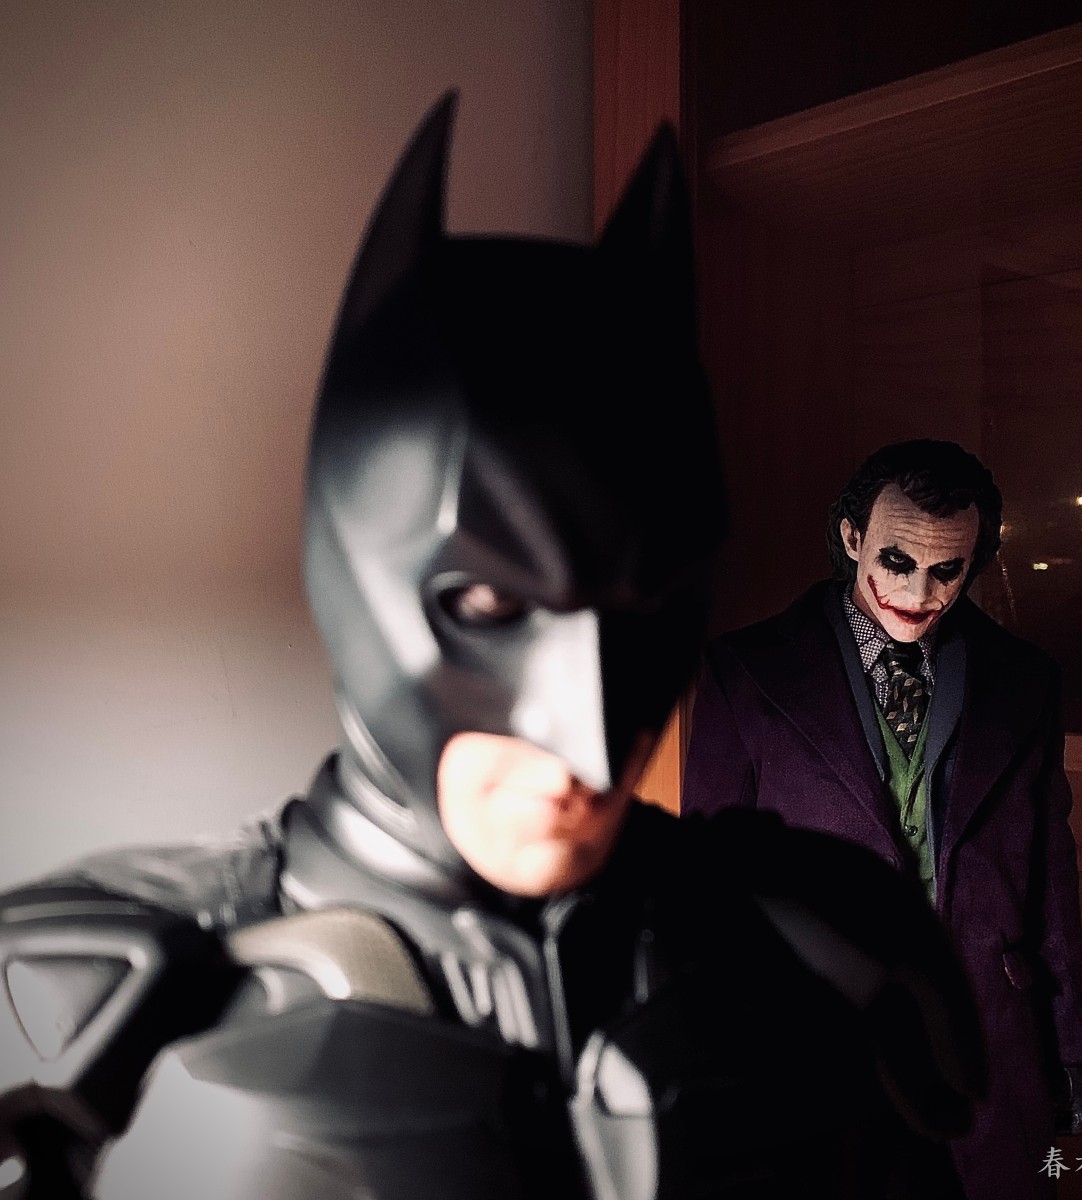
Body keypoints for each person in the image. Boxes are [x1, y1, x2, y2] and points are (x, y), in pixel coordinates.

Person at [0, 96, 985, 1200]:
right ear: (352, 570)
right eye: (486, 602)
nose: (588, 742)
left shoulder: (828, 942)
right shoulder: (91, 983)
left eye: (644, 604)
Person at [681, 439, 1082, 1200]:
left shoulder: (1025, 681)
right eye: (897, 560)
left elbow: (1051, 872)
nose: (918, 591)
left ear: (977, 561)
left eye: (948, 570)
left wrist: (1067, 1042)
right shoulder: (745, 672)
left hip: (988, 1034)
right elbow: (710, 887)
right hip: (810, 1033)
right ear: (852, 538)